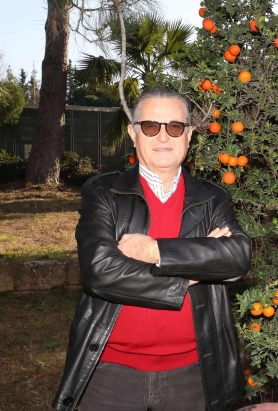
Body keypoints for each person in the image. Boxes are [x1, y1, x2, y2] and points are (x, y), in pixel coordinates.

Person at [52, 87, 251, 411]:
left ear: (189, 135)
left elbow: (237, 257)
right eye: (150, 126)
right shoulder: (103, 192)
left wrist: (154, 249)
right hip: (110, 375)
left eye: (174, 126)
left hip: (193, 376)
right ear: (133, 134)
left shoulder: (213, 198)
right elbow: (99, 272)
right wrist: (195, 272)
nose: (163, 136)